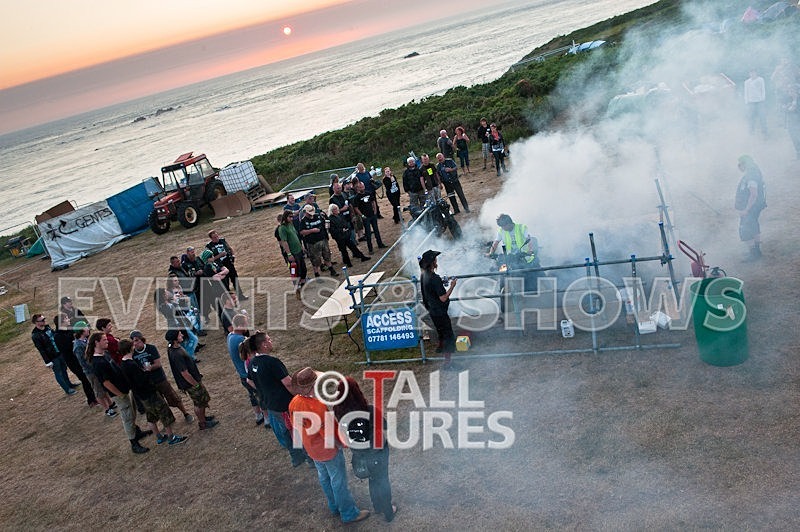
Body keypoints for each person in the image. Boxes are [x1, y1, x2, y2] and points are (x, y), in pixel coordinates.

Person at [288, 367, 370, 524]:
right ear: (313, 385)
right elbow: (328, 434)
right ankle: (349, 513)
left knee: (324, 477)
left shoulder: (294, 403)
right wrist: (340, 444)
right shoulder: (318, 407)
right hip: (328, 451)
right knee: (338, 481)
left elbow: (296, 426)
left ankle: (334, 506)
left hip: (312, 449)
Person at [332, 376, 397, 522]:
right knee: (382, 479)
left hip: (359, 454)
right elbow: (385, 425)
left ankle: (377, 506)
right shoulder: (369, 410)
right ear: (357, 392)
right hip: (377, 452)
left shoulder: (339, 413)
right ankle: (388, 511)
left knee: (372, 478)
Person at [244, 330, 309, 467]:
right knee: (296, 430)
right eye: (269, 339)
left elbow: (249, 381)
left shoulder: (252, 362)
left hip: (271, 404)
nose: (271, 341)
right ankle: (309, 458)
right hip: (285, 404)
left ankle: (296, 458)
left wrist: (263, 390)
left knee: (285, 430)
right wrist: (299, 396)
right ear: (263, 344)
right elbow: (288, 383)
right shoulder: (272, 362)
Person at [87, 332, 152, 453]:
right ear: (96, 342)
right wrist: (120, 394)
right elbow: (106, 383)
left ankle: (136, 432)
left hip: (124, 390)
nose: (107, 341)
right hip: (119, 394)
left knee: (132, 413)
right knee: (127, 417)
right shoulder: (98, 362)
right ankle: (134, 443)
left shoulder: (104, 354)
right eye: (104, 340)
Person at [119, 339, 187, 446]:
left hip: (141, 395)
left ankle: (159, 437)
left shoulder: (122, 364)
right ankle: (171, 438)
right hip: (149, 393)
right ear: (130, 348)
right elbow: (141, 381)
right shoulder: (131, 364)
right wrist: (147, 371)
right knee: (164, 413)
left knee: (151, 416)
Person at [129, 330, 194, 423]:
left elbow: (158, 364)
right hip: (149, 383)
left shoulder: (151, 348)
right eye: (133, 341)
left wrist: (149, 368)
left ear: (142, 339)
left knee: (173, 397)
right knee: (159, 404)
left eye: (136, 340)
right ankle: (169, 420)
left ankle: (186, 413)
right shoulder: (133, 354)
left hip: (160, 379)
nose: (135, 343)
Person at [166, 330, 218, 431]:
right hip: (190, 383)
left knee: (201, 400)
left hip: (193, 379)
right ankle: (202, 423)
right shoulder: (176, 354)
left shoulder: (174, 347)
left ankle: (203, 418)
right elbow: (184, 373)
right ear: (175, 339)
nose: (182, 335)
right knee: (199, 403)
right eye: (179, 334)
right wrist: (196, 384)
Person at [419, 250, 458, 369]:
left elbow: (430, 289)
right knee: (448, 335)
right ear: (432, 262)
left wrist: (441, 281)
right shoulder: (434, 278)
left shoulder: (424, 275)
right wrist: (452, 286)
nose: (437, 261)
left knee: (441, 333)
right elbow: (443, 298)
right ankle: (448, 363)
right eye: (435, 259)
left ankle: (442, 351)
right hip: (440, 311)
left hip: (432, 310)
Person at [227, 313, 266, 427]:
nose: (247, 326)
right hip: (249, 373)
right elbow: (252, 353)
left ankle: (258, 415)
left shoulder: (230, 336)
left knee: (252, 395)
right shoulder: (241, 339)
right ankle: (267, 418)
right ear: (240, 325)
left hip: (242, 374)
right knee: (260, 394)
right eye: (245, 324)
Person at [487, 213, 539, 290]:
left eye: (504, 226)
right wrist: (491, 252)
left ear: (509, 223)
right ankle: (501, 291)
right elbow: (496, 242)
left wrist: (530, 250)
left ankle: (540, 289)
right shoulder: (501, 231)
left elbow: (529, 240)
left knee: (532, 276)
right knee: (502, 272)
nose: (503, 228)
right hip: (512, 258)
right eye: (501, 226)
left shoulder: (522, 228)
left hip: (525, 257)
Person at [53, 313, 95, 405]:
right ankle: (91, 400)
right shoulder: (58, 336)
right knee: (84, 379)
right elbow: (65, 348)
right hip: (73, 361)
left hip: (79, 357)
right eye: (66, 319)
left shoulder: (70, 329)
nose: (68, 320)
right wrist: (73, 341)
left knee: (89, 377)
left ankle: (94, 395)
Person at [74, 321, 115, 414]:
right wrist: (95, 368)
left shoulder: (85, 340)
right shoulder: (78, 346)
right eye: (86, 328)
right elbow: (83, 362)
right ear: (81, 331)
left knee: (103, 388)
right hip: (91, 372)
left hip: (95, 368)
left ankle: (110, 403)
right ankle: (107, 409)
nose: (88, 329)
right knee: (98, 391)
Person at [31, 314, 77, 395]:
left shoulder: (47, 327)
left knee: (64, 369)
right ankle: (67, 389)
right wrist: (47, 361)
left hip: (59, 352)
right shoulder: (35, 335)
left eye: (44, 319)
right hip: (52, 356)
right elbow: (41, 349)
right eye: (42, 320)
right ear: (36, 322)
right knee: (58, 372)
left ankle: (69, 384)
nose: (44, 321)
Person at [735, 155, 767, 261]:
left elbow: (753, 194)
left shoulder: (751, 176)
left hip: (751, 207)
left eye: (740, 164)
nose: (739, 166)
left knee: (745, 228)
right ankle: (757, 251)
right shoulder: (753, 172)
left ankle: (753, 254)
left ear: (746, 164)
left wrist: (746, 210)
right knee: (753, 225)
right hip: (755, 206)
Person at [298, 204, 338, 278]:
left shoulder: (318, 216)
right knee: (315, 260)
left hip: (323, 240)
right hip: (312, 243)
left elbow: (326, 223)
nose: (311, 215)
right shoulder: (303, 221)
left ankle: (332, 270)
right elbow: (301, 232)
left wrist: (326, 230)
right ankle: (317, 274)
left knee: (327, 256)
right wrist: (311, 230)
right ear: (305, 213)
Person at [206, 229, 248, 300]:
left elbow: (230, 248)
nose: (217, 238)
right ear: (211, 238)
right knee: (226, 283)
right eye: (214, 237)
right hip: (220, 266)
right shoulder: (209, 246)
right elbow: (210, 259)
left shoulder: (222, 240)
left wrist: (233, 255)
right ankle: (230, 300)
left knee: (235, 279)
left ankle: (240, 296)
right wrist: (219, 255)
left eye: (217, 236)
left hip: (229, 263)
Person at [278, 210, 308, 296]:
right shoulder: (282, 228)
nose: (291, 218)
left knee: (303, 269)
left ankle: (303, 284)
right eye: (290, 217)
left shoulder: (291, 225)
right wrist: (289, 254)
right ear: (285, 217)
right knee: (295, 271)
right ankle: (297, 288)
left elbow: (296, 236)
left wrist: (302, 247)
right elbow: (284, 242)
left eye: (292, 217)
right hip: (293, 253)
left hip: (299, 250)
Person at [353, 179, 387, 254]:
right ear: (358, 188)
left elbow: (373, 201)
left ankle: (380, 244)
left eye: (363, 187)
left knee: (376, 230)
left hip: (372, 215)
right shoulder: (357, 197)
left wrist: (375, 210)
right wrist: (362, 215)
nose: (362, 188)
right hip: (366, 217)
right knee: (368, 233)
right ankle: (370, 249)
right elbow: (356, 208)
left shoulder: (368, 193)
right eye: (360, 187)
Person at [744, 69, 767, 136]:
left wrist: (763, 99)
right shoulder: (747, 82)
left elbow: (763, 89)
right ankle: (751, 132)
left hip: (760, 102)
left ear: (756, 73)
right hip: (751, 102)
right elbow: (746, 92)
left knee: (762, 117)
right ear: (749, 74)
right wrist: (746, 102)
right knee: (751, 118)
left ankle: (764, 132)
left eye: (754, 73)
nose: (752, 74)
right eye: (751, 73)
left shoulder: (760, 80)